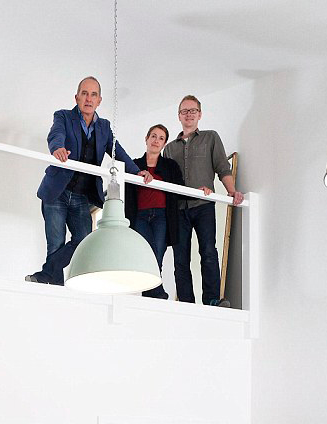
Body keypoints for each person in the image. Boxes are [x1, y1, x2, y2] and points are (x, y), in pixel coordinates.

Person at [26, 77, 151, 285]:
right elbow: (55, 134)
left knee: (83, 242)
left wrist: (137, 172)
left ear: (99, 100)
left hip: (82, 197)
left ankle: (46, 274)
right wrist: (57, 148)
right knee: (55, 245)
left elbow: (116, 151)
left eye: (93, 94)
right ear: (76, 97)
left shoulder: (104, 126)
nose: (88, 98)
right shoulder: (63, 117)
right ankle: (56, 290)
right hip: (58, 191)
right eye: (84, 93)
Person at [163, 95, 244, 306]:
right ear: (179, 116)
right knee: (180, 258)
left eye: (192, 110)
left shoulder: (211, 138)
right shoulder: (169, 148)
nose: (188, 114)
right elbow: (167, 179)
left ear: (200, 114)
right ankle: (186, 303)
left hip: (203, 205)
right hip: (179, 208)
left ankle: (212, 300)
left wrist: (232, 191)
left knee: (208, 252)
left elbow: (221, 167)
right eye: (184, 111)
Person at [124, 124, 184, 299]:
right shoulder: (134, 165)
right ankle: (155, 291)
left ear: (164, 143)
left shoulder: (170, 166)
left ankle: (151, 291)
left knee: (157, 252)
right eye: (153, 136)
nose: (156, 141)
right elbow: (125, 192)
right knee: (146, 253)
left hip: (161, 216)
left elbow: (180, 189)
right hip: (140, 216)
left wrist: (201, 191)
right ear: (146, 138)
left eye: (161, 138)